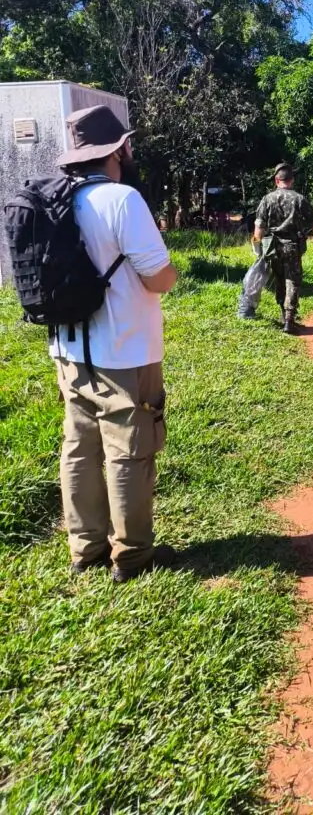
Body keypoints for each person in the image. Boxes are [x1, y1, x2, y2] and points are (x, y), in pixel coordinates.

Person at [52, 105, 178, 582]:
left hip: (67, 349)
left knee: (79, 446)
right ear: (118, 149)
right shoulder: (121, 199)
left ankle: (85, 549)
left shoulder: (58, 199)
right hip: (124, 349)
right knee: (129, 449)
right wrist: (171, 270)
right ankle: (132, 556)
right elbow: (159, 279)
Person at [249, 163, 313, 334]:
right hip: (292, 246)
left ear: (276, 180)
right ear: (292, 180)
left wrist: (256, 247)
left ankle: (283, 316)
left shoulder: (267, 199)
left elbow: (258, 229)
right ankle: (289, 319)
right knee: (293, 280)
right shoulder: (299, 199)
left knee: (280, 279)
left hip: (273, 247)